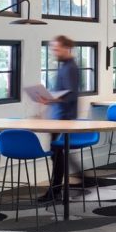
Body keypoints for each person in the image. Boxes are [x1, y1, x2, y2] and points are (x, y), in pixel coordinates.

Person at [38, 35, 80, 200]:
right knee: (57, 154)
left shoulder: (70, 68)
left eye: (56, 49)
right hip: (58, 116)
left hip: (64, 117)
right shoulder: (65, 66)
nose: (54, 52)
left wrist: (52, 99)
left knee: (57, 154)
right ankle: (58, 188)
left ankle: (55, 190)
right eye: (53, 49)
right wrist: (50, 99)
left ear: (66, 48)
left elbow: (71, 95)